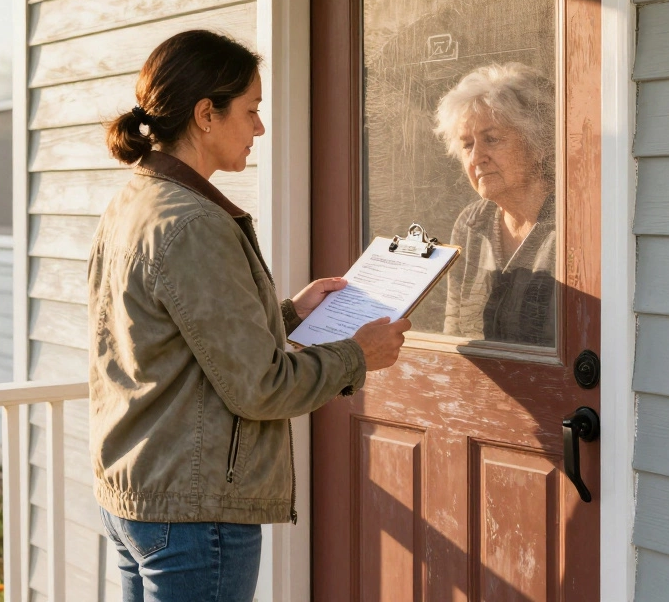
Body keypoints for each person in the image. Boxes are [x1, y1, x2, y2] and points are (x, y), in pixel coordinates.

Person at [89, 30, 410, 602]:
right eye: (252, 110)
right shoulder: (193, 224)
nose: (260, 128)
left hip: (139, 495)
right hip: (193, 512)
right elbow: (261, 387)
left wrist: (288, 313)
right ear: (206, 115)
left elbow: (173, 335)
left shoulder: (136, 201)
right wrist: (357, 357)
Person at [434, 62, 556, 346]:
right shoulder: (471, 223)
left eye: (492, 139)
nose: (476, 158)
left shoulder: (571, 224)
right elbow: (454, 333)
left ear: (539, 142)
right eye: (467, 144)